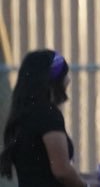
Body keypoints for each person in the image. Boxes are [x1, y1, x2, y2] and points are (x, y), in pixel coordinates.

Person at [0, 50, 92, 187]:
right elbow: (62, 171)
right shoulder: (48, 115)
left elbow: (41, 170)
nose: (68, 80)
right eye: (64, 74)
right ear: (51, 79)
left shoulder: (22, 115)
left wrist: (88, 178)